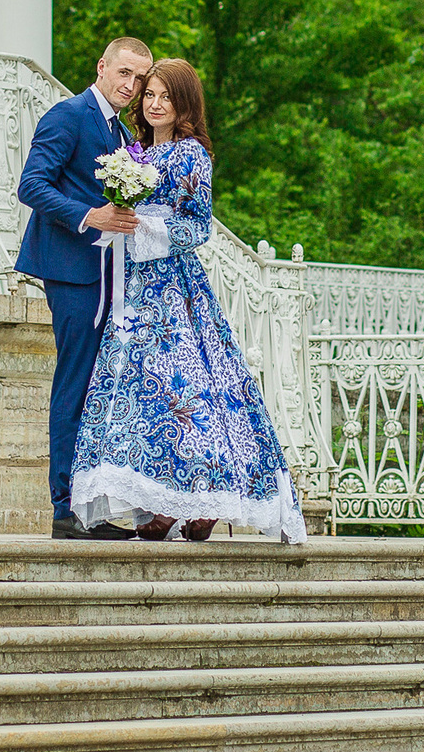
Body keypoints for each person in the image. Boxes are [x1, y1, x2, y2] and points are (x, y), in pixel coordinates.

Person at [68, 58, 306, 545]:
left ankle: (204, 501)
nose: (155, 104)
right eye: (149, 95)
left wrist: (144, 229)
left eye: (165, 97)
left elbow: (197, 226)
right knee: (139, 396)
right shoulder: (132, 153)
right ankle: (161, 503)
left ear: (183, 105)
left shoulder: (190, 155)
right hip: (130, 287)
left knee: (185, 390)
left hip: (172, 289)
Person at [15, 36, 153, 539]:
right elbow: (32, 184)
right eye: (124, 74)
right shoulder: (68, 115)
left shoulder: (120, 132)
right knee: (74, 383)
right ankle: (63, 509)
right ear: (102, 67)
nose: (131, 86)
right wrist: (87, 216)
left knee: (102, 389)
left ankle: (91, 508)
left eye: (139, 79)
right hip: (72, 271)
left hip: (111, 275)